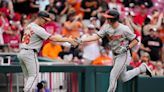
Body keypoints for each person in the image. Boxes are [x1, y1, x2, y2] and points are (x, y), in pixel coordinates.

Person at [76, 9, 152, 92]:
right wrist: (82, 40)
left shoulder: (124, 29)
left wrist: (127, 47)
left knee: (113, 75)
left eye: (108, 18)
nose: (106, 19)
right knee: (123, 78)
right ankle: (142, 69)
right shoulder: (107, 27)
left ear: (112, 19)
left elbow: (135, 40)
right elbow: (96, 37)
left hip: (124, 54)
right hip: (114, 54)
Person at [17, 11, 77, 92]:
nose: (46, 22)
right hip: (30, 53)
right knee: (34, 76)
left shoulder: (29, 25)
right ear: (39, 18)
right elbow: (53, 39)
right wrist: (68, 39)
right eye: (45, 20)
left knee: (28, 77)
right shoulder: (38, 28)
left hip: (22, 52)